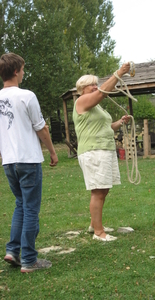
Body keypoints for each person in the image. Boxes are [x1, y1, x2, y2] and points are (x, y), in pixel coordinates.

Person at [0, 53, 58, 272]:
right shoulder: (27, 96)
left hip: (9, 161)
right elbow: (41, 127)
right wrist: (52, 152)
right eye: (23, 69)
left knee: (20, 205)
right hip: (28, 159)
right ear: (16, 71)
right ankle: (29, 260)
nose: (24, 73)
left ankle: (12, 251)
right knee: (31, 208)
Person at [73, 63, 131, 242]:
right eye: (91, 84)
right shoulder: (82, 101)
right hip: (93, 151)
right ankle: (99, 233)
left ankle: (94, 225)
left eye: (96, 83)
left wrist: (119, 123)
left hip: (103, 149)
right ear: (82, 89)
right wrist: (119, 73)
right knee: (98, 191)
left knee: (103, 189)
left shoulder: (96, 107)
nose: (95, 86)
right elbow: (102, 92)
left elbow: (107, 127)